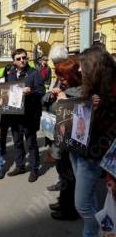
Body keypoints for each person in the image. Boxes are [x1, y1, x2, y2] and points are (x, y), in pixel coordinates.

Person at [65, 46, 116, 237]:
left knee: (82, 204)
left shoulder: (112, 92)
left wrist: (112, 176)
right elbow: (79, 118)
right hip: (78, 149)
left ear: (96, 67)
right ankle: (92, 232)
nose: (79, 70)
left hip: (93, 155)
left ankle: (100, 231)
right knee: (90, 198)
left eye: (83, 66)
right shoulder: (93, 85)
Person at [43, 56, 81, 221]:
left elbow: (80, 116)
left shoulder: (80, 91)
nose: (60, 80)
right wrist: (52, 95)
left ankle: (69, 210)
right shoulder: (66, 88)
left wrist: (65, 101)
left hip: (71, 142)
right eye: (59, 77)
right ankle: (63, 202)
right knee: (64, 173)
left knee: (69, 176)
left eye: (63, 77)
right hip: (60, 138)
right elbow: (45, 102)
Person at [6, 48, 45, 182]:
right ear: (14, 61)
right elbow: (7, 91)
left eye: (24, 57)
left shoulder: (34, 73)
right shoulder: (10, 73)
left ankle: (34, 170)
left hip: (30, 115)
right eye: (18, 59)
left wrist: (31, 92)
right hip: (15, 115)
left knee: (31, 143)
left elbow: (41, 92)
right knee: (17, 142)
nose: (22, 60)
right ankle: (20, 166)